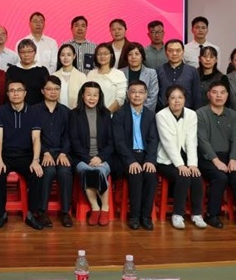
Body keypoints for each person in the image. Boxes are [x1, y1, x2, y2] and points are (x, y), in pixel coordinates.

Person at [196, 81, 236, 229]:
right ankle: (212, 215)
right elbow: (202, 140)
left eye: (222, 92)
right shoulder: (200, 113)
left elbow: (235, 139)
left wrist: (233, 159)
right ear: (208, 95)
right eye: (215, 92)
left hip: (228, 156)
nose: (219, 96)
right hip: (207, 157)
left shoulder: (233, 114)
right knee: (220, 177)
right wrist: (216, 161)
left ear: (227, 95)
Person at [0, 80, 45, 230]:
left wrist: (35, 160)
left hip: (26, 155)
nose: (15, 93)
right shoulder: (0, 111)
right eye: (12, 90)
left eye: (19, 90)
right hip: (6, 155)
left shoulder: (34, 112)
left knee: (37, 174)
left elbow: (36, 138)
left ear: (25, 93)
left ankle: (31, 214)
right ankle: (1, 214)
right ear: (7, 94)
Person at [156, 85, 206, 230]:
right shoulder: (161, 115)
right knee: (183, 176)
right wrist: (180, 165)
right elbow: (168, 143)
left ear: (185, 99)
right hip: (166, 160)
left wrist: (192, 164)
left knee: (196, 176)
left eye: (180, 97)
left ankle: (197, 214)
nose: (176, 101)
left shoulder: (191, 114)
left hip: (186, 158)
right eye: (173, 98)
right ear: (167, 100)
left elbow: (191, 140)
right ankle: (178, 214)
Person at [111, 80, 160, 230]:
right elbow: (119, 142)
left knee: (151, 176)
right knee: (136, 175)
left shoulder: (150, 115)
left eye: (141, 92)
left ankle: (146, 216)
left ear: (146, 95)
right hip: (125, 157)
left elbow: (153, 140)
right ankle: (134, 216)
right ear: (128, 94)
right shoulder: (119, 114)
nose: (137, 95)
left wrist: (150, 160)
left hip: (144, 155)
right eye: (133, 92)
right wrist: (131, 160)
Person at [69, 82, 113, 226]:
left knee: (99, 171)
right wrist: (88, 159)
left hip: (103, 157)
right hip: (82, 157)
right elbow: (74, 141)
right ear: (82, 96)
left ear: (100, 97)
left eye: (95, 95)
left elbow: (111, 141)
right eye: (88, 95)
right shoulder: (74, 114)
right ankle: (95, 207)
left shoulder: (105, 114)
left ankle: (105, 208)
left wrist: (100, 157)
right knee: (88, 171)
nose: (92, 98)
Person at [35, 76, 74, 227]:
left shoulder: (66, 112)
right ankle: (42, 212)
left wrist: (64, 152)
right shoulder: (34, 110)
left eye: (56, 89)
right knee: (48, 171)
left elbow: (69, 135)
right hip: (42, 153)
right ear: (42, 91)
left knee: (65, 171)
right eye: (49, 89)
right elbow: (33, 136)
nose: (53, 92)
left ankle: (65, 212)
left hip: (62, 152)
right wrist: (44, 152)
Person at [156, 39, 200, 110]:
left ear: (183, 51)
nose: (174, 53)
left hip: (187, 112)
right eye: (170, 50)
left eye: (178, 50)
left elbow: (196, 95)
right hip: (163, 112)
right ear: (166, 52)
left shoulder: (192, 71)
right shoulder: (159, 70)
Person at [6, 39, 50, 106]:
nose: (26, 55)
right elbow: (8, 92)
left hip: (38, 109)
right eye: (23, 52)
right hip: (16, 109)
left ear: (35, 52)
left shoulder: (42, 70)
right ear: (18, 53)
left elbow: (47, 92)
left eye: (29, 51)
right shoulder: (12, 70)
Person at [86, 42, 127, 112]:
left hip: (111, 115)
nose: (102, 56)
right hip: (91, 114)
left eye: (105, 54)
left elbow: (120, 99)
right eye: (99, 54)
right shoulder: (91, 74)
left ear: (111, 55)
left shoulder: (119, 74)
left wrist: (107, 114)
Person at [118, 42, 158, 111]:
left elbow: (153, 97)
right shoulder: (120, 73)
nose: (133, 57)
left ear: (142, 56)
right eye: (130, 54)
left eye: (137, 54)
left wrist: (139, 111)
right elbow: (119, 97)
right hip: (124, 112)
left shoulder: (151, 73)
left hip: (145, 112)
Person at [55, 43, 87, 109]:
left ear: (74, 56)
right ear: (59, 57)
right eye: (62, 55)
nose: (66, 58)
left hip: (76, 112)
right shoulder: (54, 76)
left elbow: (85, 97)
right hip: (57, 112)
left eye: (69, 55)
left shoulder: (82, 76)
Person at [196, 45, 227, 110]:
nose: (208, 59)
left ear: (216, 60)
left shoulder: (221, 78)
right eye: (205, 56)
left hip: (213, 112)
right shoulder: (193, 75)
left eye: (211, 57)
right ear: (199, 58)